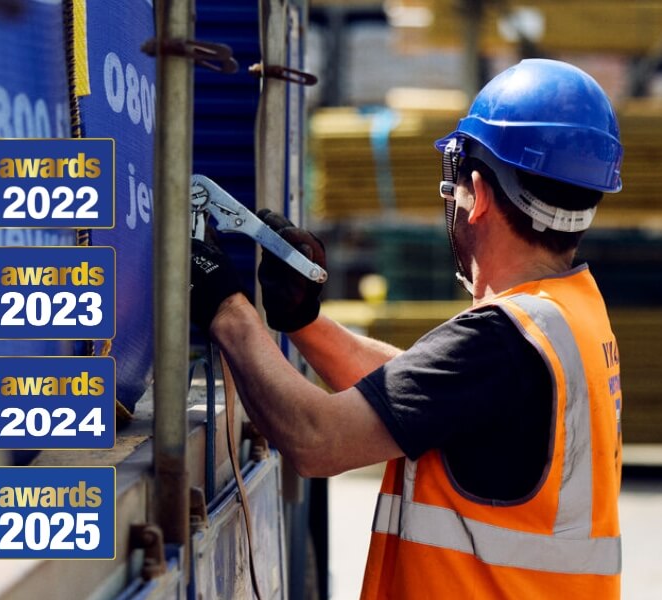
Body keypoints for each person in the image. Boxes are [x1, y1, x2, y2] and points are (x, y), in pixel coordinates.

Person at [190, 58, 626, 599]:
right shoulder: (569, 314)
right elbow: (420, 398)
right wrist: (305, 323)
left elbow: (316, 441)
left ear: (480, 192)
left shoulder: (504, 341)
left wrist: (227, 311)